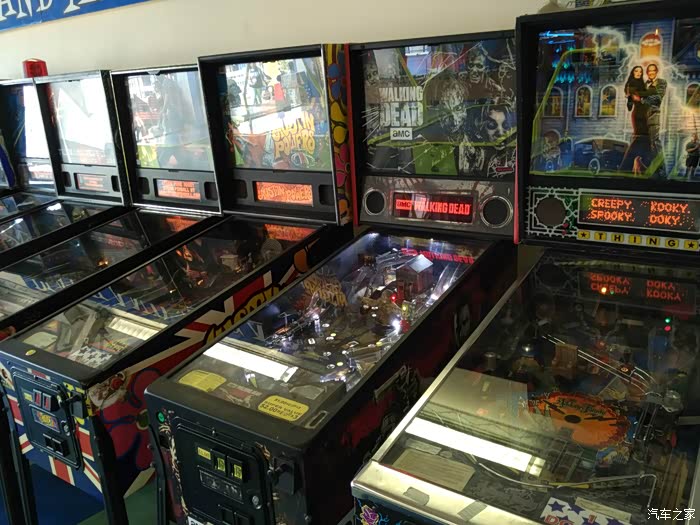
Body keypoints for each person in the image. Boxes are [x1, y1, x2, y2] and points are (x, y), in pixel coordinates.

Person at [633, 63, 668, 179]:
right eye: (649, 71)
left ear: (656, 71)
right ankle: (649, 170)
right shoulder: (644, 84)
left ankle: (662, 172)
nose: (651, 72)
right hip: (641, 118)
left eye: (653, 70)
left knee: (654, 143)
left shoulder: (661, 82)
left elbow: (657, 99)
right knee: (644, 143)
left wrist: (642, 99)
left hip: (652, 116)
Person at [619, 66, 650, 173]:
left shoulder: (642, 84)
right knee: (639, 137)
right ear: (632, 72)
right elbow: (633, 102)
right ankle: (624, 168)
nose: (638, 73)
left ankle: (638, 166)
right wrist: (631, 97)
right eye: (636, 71)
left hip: (645, 113)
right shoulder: (631, 84)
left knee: (645, 138)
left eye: (640, 71)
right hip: (638, 114)